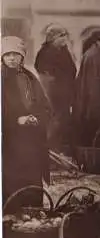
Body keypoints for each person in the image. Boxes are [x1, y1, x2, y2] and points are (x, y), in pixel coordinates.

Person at [2, 36, 52, 210]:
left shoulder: (30, 78)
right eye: (7, 54)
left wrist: (36, 117)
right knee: (11, 178)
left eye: (16, 54)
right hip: (8, 140)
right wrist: (16, 120)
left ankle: (32, 211)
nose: (12, 58)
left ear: (22, 56)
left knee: (32, 175)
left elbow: (44, 105)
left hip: (31, 139)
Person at [34, 24, 77, 153]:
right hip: (54, 91)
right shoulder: (45, 52)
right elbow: (43, 72)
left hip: (64, 89)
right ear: (52, 38)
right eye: (61, 36)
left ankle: (56, 149)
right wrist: (53, 82)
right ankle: (49, 149)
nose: (64, 38)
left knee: (63, 118)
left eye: (65, 35)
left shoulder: (64, 50)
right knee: (55, 119)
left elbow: (71, 68)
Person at [73, 28, 100, 149]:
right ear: (98, 41)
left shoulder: (98, 53)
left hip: (94, 95)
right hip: (95, 97)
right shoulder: (94, 55)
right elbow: (94, 80)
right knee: (96, 124)